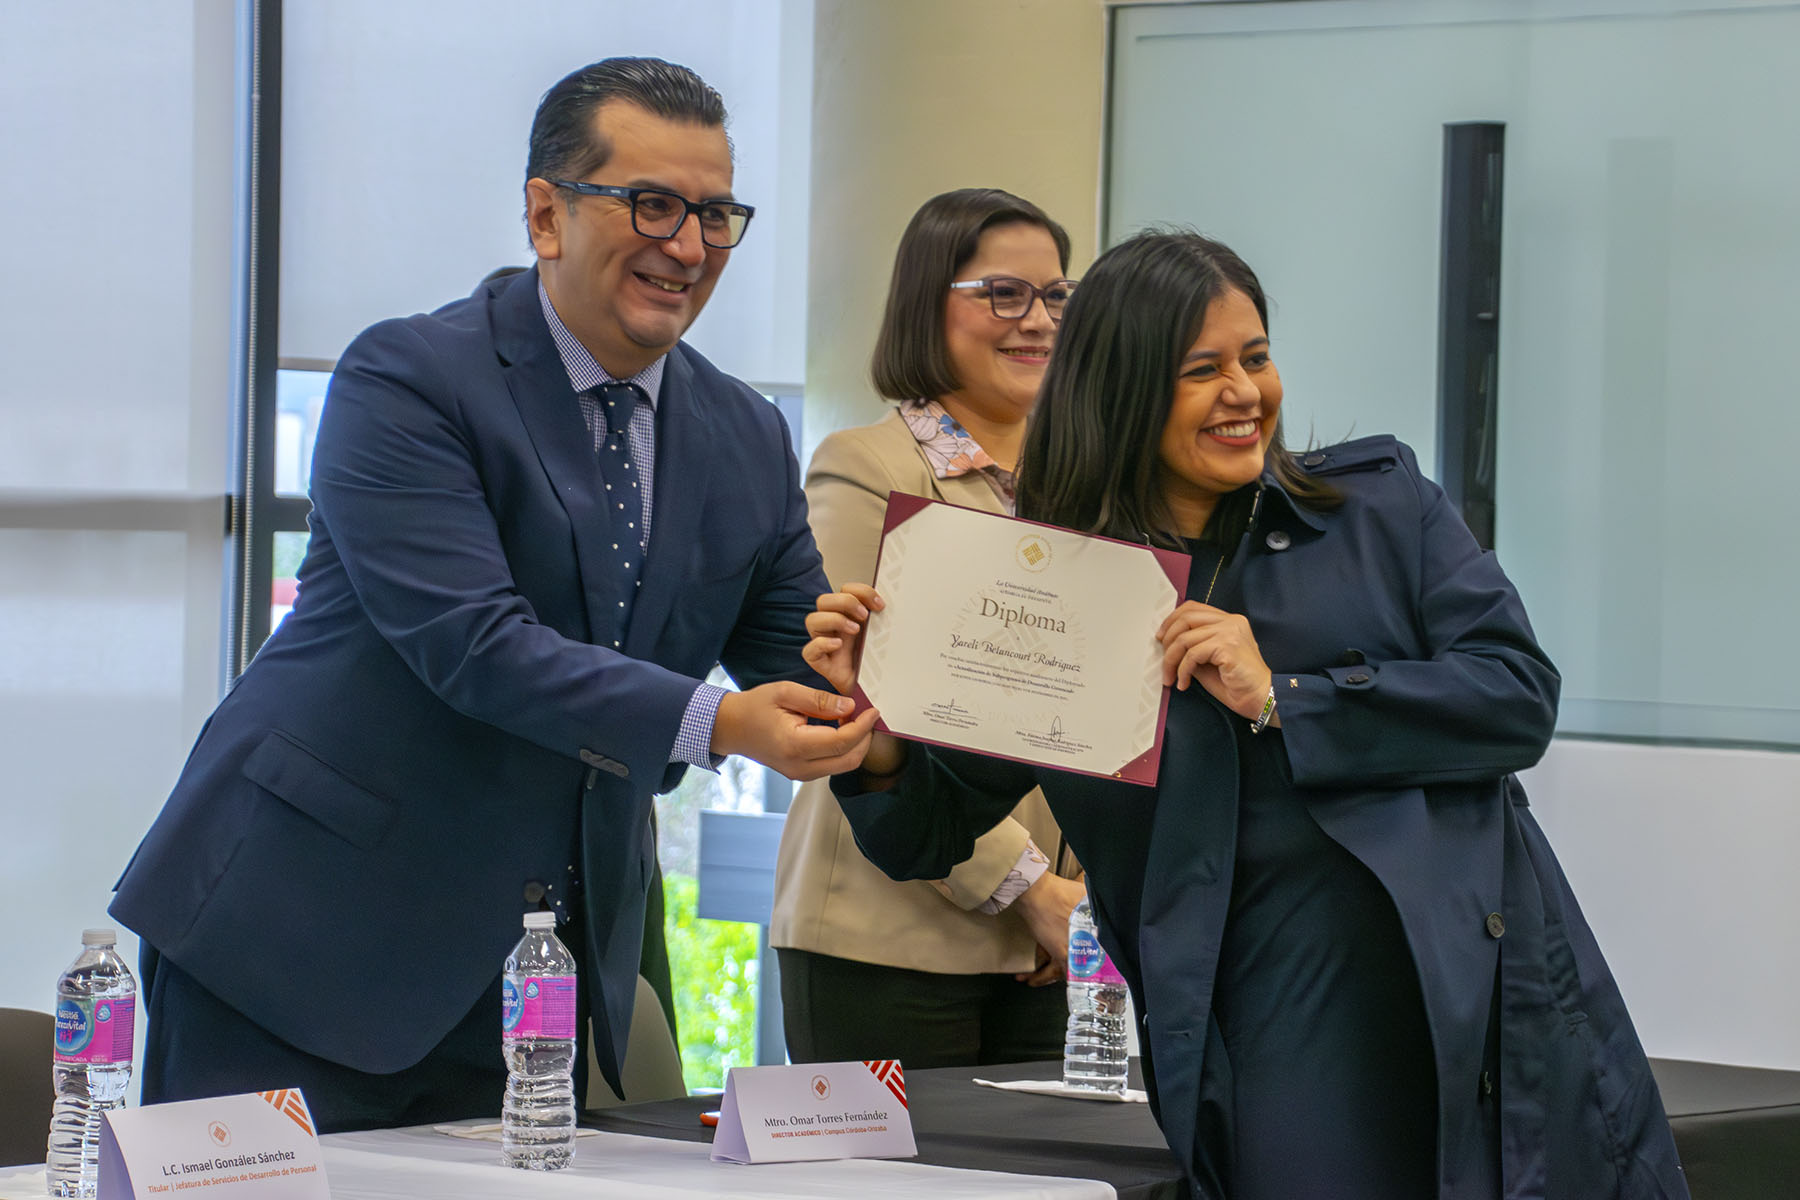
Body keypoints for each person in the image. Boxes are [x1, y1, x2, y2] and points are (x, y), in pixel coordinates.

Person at [806, 232, 1689, 1198]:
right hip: (1261, 1026)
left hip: (1474, 991)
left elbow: (1516, 698)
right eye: (1203, 370)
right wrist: (881, 742)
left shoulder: (1381, 511)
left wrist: (1286, 699)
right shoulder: (1061, 589)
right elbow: (922, 831)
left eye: (1256, 358)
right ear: (1124, 389)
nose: (1245, 393)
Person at [109, 57, 875, 1131]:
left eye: (715, 214)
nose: (689, 246)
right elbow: (474, 645)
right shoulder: (409, 377)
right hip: (299, 942)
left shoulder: (745, 432)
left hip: (530, 982)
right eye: (652, 204)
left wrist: (879, 684)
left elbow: (807, 659)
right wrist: (721, 724)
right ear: (546, 213)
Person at [769, 189, 1088, 1067]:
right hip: (886, 936)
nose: (1038, 321)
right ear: (927, 306)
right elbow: (854, 707)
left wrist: (1084, 888)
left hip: (1057, 947)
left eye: (1057, 296)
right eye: (1004, 294)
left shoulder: (1085, 486)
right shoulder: (865, 467)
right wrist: (1028, 891)